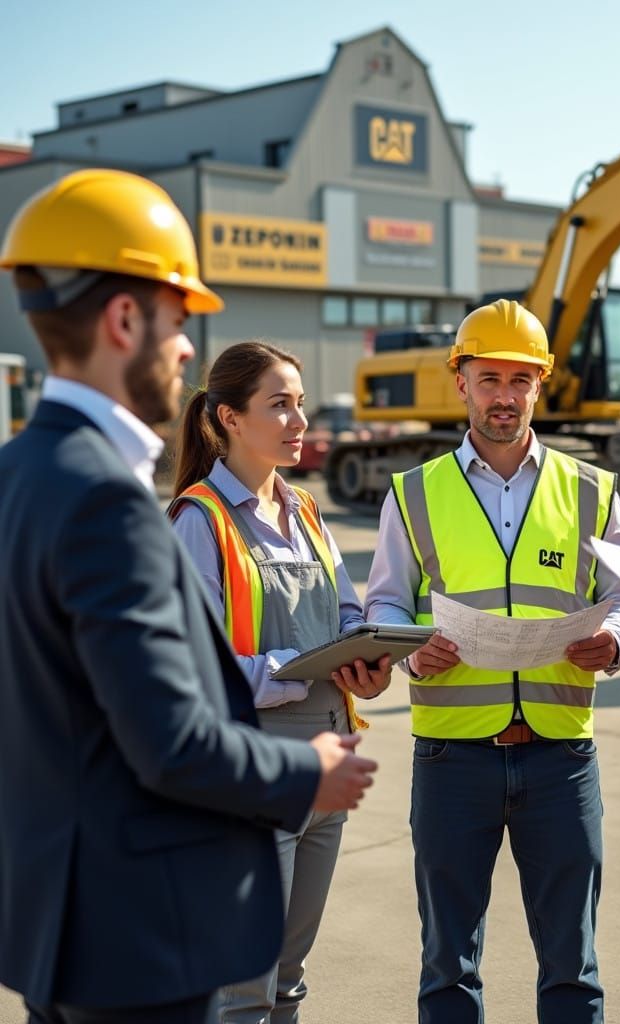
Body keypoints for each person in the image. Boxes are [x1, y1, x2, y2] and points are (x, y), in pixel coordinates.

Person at [0, 168, 377, 1024]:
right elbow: (170, 742)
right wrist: (304, 770)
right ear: (125, 319)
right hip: (133, 928)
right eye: (178, 323)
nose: (182, 352)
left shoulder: (18, 473)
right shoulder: (108, 501)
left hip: (56, 919)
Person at [363, 298, 620, 1024]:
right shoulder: (413, 493)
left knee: (573, 969)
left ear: (541, 385)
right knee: (448, 967)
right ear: (461, 381)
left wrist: (613, 639)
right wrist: (410, 646)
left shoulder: (592, 491)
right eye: (490, 379)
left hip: (561, 759)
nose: (505, 397)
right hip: (453, 759)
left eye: (521, 380)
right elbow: (383, 607)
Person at [169, 340, 390, 1022]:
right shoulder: (197, 523)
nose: (299, 421)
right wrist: (289, 673)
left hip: (327, 761)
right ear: (228, 418)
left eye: (299, 404)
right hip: (256, 765)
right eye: (279, 406)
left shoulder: (307, 511)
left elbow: (346, 613)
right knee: (244, 986)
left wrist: (370, 658)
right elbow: (189, 668)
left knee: (289, 976)